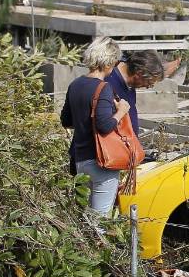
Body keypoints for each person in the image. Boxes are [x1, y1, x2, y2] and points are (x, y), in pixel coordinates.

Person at [60, 37, 131, 217]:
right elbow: (105, 125)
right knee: (99, 221)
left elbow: (65, 121)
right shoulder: (103, 88)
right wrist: (121, 111)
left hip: (79, 161)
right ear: (108, 62)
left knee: (83, 217)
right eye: (114, 62)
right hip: (101, 162)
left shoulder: (75, 85)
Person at [106, 50, 181, 136]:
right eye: (149, 83)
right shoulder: (108, 83)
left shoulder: (130, 85)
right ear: (139, 73)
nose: (148, 87)